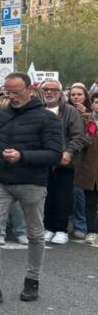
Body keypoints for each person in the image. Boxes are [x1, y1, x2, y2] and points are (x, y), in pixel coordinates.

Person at [0, 72, 63, 305]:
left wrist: (22, 156)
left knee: (34, 233)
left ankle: (32, 280)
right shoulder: (0, 115)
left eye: (16, 92)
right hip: (1, 181)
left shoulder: (48, 119)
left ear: (30, 90)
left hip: (32, 183)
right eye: (7, 92)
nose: (11, 96)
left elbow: (54, 155)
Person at [38, 79, 85, 245]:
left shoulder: (70, 112)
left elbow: (79, 136)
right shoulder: (37, 110)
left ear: (60, 92)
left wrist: (69, 152)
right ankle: (48, 227)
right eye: (46, 89)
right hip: (42, 161)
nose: (49, 92)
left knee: (62, 196)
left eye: (53, 89)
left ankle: (61, 229)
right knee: (45, 196)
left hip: (64, 162)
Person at [67, 83, 91, 240]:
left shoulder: (91, 113)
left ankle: (80, 225)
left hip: (86, 157)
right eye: (73, 94)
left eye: (79, 94)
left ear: (85, 96)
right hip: (69, 154)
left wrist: (86, 116)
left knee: (79, 191)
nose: (76, 97)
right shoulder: (65, 112)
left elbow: (90, 135)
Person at [75, 93, 98, 246]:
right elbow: (78, 141)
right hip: (90, 166)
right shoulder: (85, 119)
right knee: (90, 201)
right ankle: (92, 231)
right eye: (96, 102)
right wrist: (89, 136)